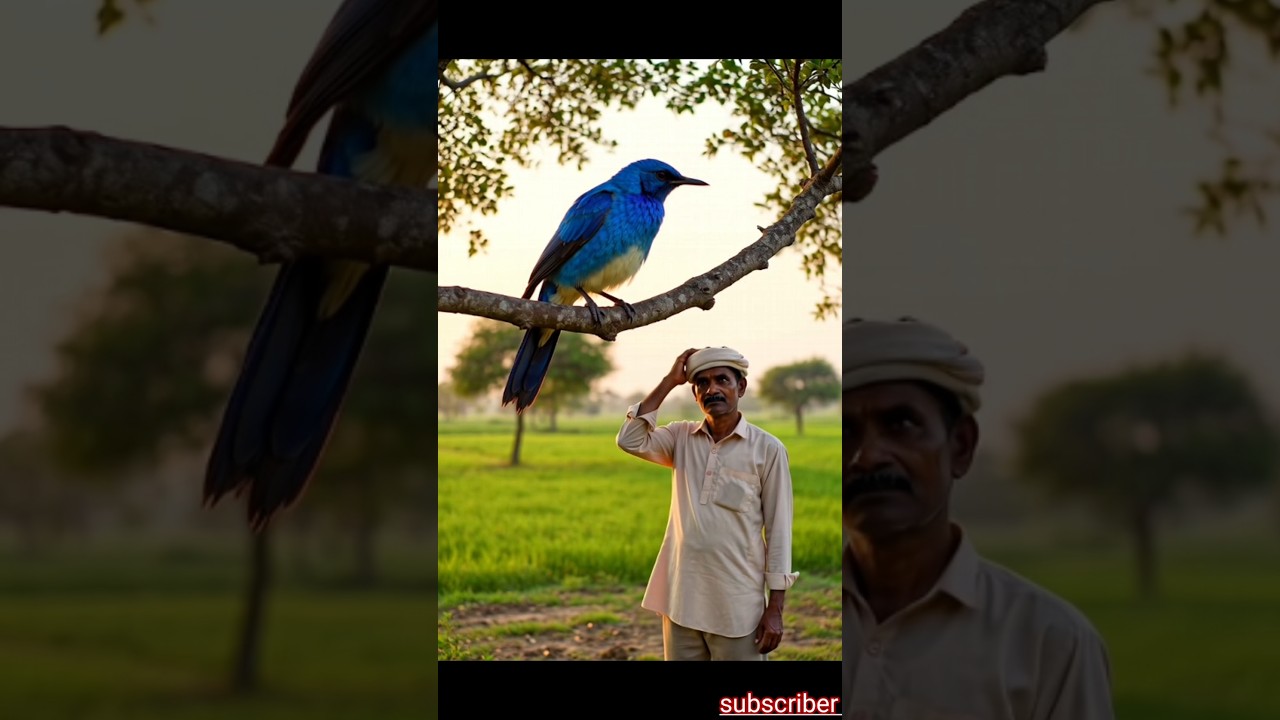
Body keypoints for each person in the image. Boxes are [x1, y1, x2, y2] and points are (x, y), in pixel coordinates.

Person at [843, 317, 1114, 719]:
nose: (869, 456)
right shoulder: (766, 617)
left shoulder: (1050, 641)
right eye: (844, 432)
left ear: (962, 446)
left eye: (901, 425)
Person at [617, 346, 798, 660]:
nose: (712, 389)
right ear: (695, 393)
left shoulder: (767, 449)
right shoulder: (681, 438)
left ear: (740, 387)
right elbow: (630, 440)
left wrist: (775, 609)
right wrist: (669, 381)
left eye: (722, 380)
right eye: (702, 383)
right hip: (680, 601)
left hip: (738, 607)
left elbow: (779, 531)